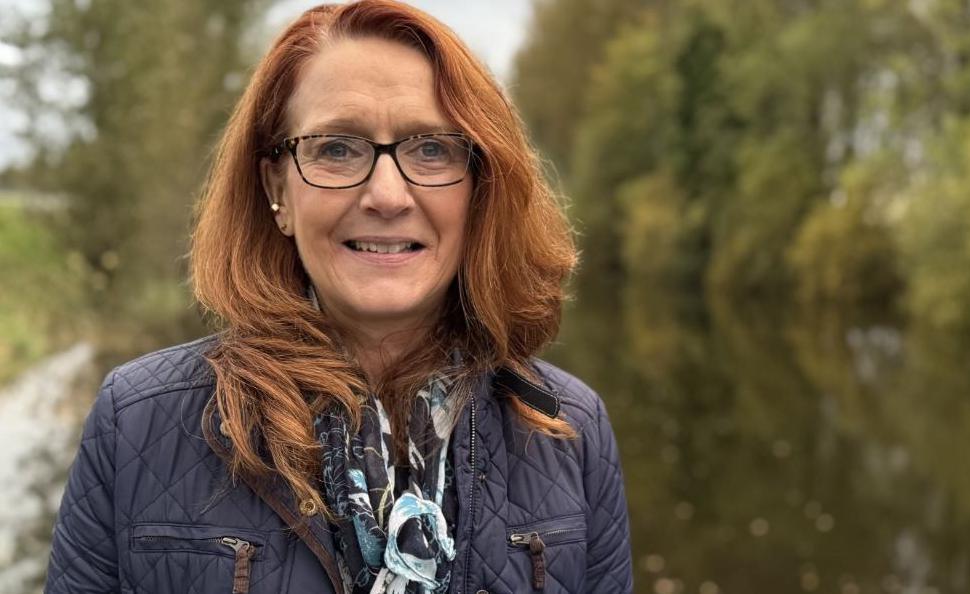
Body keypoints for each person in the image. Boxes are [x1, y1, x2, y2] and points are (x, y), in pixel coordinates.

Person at [44, 1, 632, 592]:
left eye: (431, 149)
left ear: (480, 186)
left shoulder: (570, 431)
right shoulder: (136, 422)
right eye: (336, 148)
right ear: (278, 187)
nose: (386, 195)